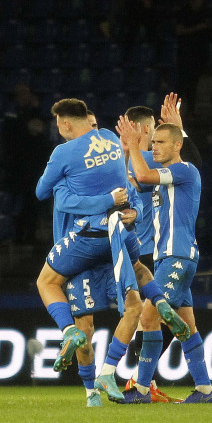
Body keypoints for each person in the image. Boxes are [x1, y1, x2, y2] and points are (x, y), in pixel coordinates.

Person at [34, 99, 190, 398]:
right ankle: (158, 306)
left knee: (53, 289)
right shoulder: (108, 140)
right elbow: (129, 186)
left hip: (84, 240)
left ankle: (87, 376)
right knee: (135, 290)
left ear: (65, 124)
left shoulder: (64, 157)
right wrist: (123, 203)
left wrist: (104, 198)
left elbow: (47, 194)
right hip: (121, 234)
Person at [116, 115, 212, 404]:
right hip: (167, 259)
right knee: (187, 324)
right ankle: (205, 390)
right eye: (154, 142)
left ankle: (142, 389)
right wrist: (126, 151)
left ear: (177, 144)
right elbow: (134, 180)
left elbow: (144, 175)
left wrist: (135, 145)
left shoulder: (185, 171)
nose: (155, 147)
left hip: (177, 256)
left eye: (160, 143)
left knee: (149, 317)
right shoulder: (163, 181)